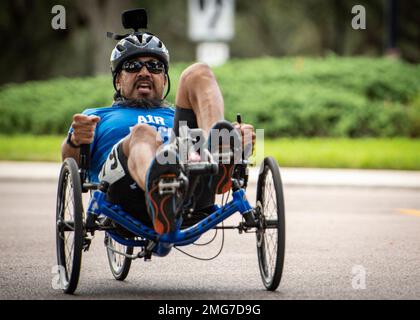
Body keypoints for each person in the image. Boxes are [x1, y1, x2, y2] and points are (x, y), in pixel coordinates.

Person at [61, 31, 255, 235]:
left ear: (164, 80)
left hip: (189, 181)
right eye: (133, 66)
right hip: (124, 194)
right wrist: (75, 140)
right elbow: (69, 162)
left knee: (199, 72)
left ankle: (219, 152)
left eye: (154, 67)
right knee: (143, 133)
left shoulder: (179, 115)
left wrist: (241, 143)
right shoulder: (97, 116)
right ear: (118, 80)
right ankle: (161, 189)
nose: (144, 72)